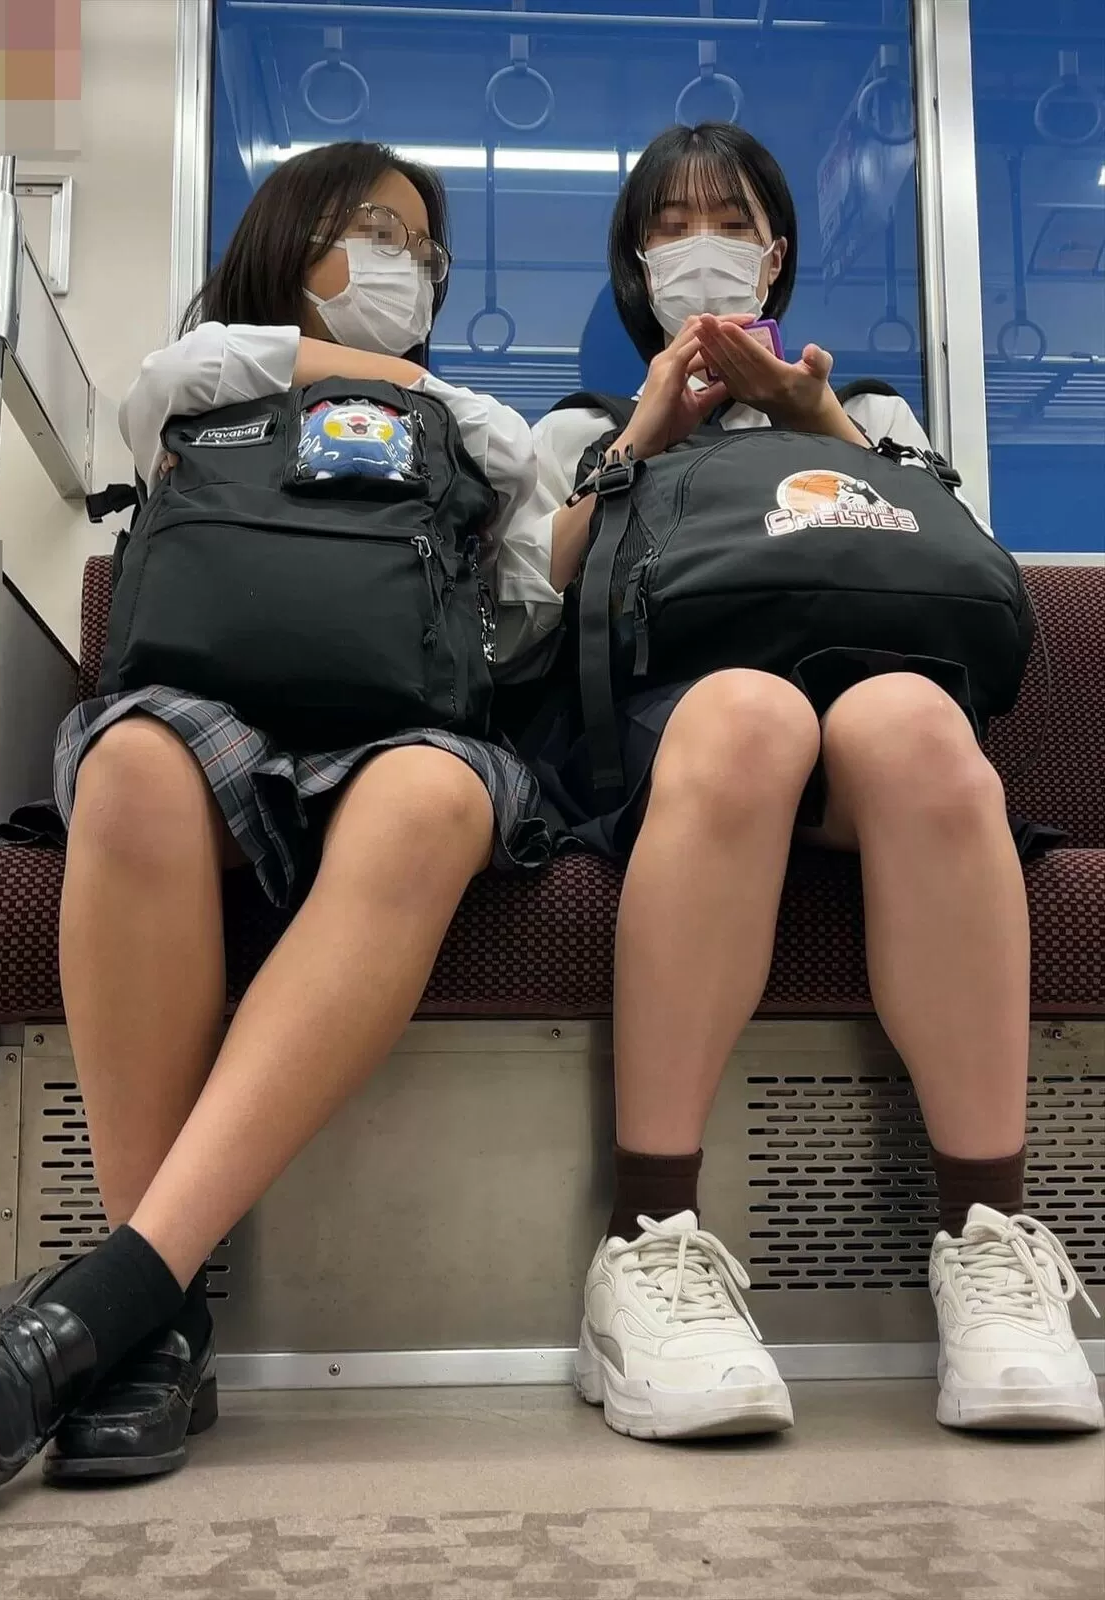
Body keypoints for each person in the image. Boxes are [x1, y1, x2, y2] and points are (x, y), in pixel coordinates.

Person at [0, 141, 556, 1505]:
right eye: (373, 230)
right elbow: (162, 392)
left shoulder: (484, 429)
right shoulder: (212, 372)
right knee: (132, 766)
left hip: (410, 729)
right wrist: (383, 384)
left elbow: (531, 608)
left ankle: (124, 1309)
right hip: (204, 708)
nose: (403, 264)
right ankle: (152, 1316)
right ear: (289, 239)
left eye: (422, 250)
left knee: (429, 796)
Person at [513, 122, 1102, 1442]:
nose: (703, 246)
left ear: (775, 254)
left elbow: (974, 571)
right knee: (750, 714)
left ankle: (989, 1242)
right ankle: (648, 1240)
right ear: (637, 261)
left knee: (914, 723)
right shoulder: (581, 429)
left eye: (731, 221)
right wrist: (645, 437)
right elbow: (522, 610)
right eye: (672, 225)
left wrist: (817, 424)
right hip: (680, 726)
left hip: (874, 714)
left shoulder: (873, 411)